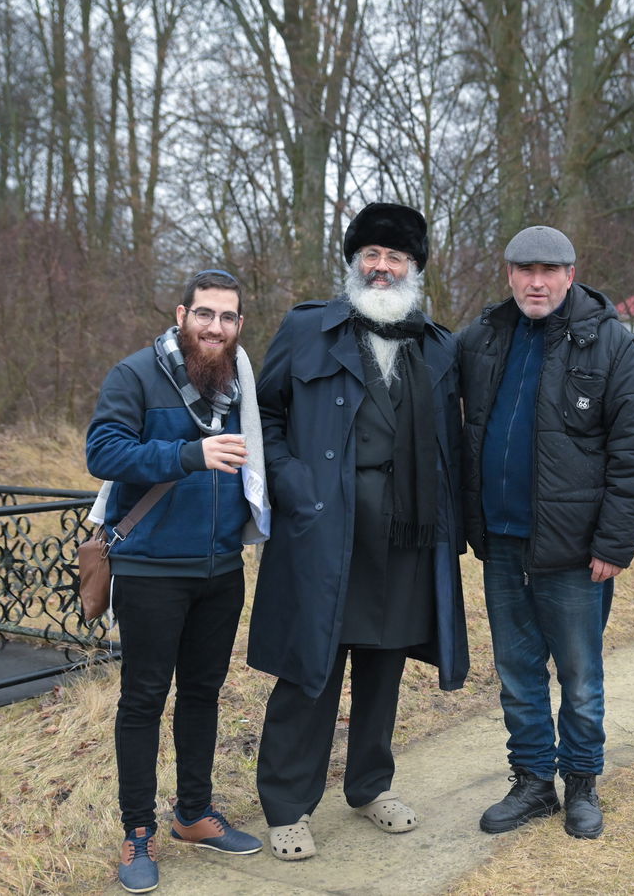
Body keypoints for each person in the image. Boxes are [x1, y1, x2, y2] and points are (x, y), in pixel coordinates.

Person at [248, 202, 468, 861]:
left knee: (385, 665)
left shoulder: (438, 345)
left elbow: (452, 445)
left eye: (395, 256)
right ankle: (287, 804)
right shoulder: (307, 329)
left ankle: (370, 784)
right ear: (353, 261)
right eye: (371, 254)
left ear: (414, 267)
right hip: (324, 529)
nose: (382, 266)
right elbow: (264, 411)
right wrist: (294, 486)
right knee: (309, 671)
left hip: (405, 536)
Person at [457, 225, 634, 840]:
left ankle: (581, 785)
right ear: (510, 274)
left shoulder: (611, 344)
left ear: (571, 274)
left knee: (578, 674)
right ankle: (531, 784)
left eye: (550, 270)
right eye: (525, 270)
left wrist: (614, 542)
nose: (537, 282)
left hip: (576, 552)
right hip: (501, 541)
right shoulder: (484, 339)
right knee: (517, 672)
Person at [85, 269, 269, 894]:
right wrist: (188, 455)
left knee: (202, 694)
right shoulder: (136, 374)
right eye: (205, 314)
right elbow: (103, 453)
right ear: (181, 314)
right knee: (143, 700)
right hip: (150, 569)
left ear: (239, 325)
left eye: (227, 318)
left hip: (220, 568)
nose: (215, 328)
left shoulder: (242, 381)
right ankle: (138, 833)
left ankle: (194, 813)